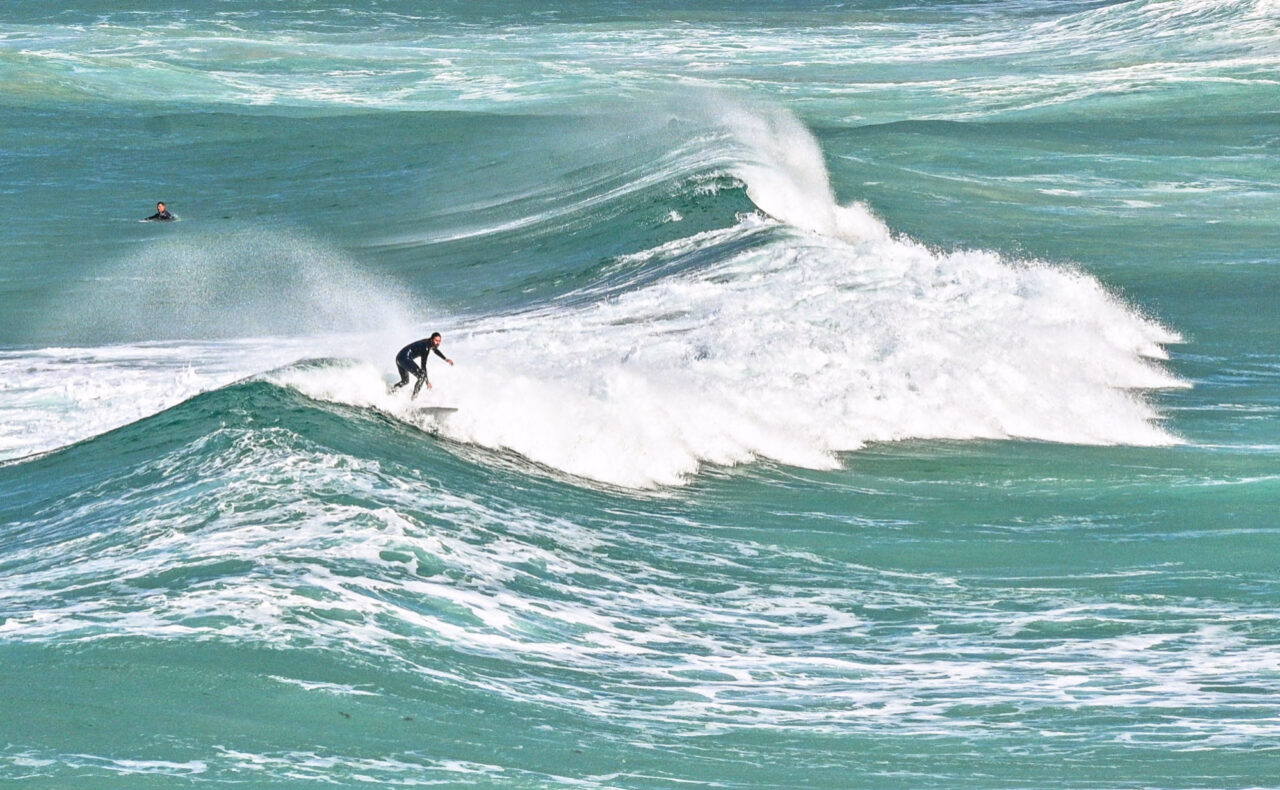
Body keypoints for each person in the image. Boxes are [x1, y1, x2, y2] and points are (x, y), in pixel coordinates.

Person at [390, 332, 454, 399]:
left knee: (405, 381)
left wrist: (445, 359)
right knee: (422, 376)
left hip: (399, 358)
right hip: (404, 358)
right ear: (432, 340)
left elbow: (435, 350)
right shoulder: (426, 348)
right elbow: (423, 366)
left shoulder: (429, 343)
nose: (438, 343)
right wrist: (427, 382)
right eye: (436, 340)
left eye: (439, 341)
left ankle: (391, 391)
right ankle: (413, 399)